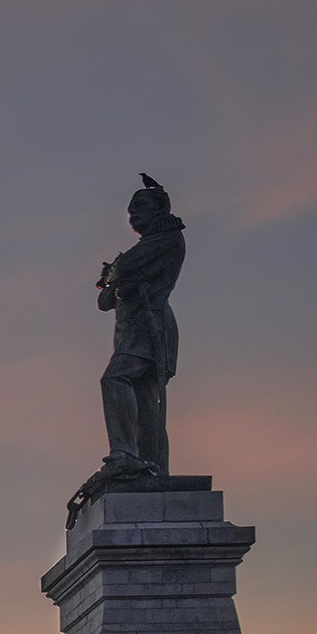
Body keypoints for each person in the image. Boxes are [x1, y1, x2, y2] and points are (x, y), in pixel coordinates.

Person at [94, 173, 185, 475]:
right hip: (132, 330)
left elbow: (124, 267)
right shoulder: (149, 244)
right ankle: (151, 465)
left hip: (151, 327)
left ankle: (124, 452)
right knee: (146, 401)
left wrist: (115, 273)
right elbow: (104, 300)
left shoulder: (168, 236)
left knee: (115, 378)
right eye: (131, 208)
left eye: (141, 206)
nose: (133, 213)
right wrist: (115, 278)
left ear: (159, 210)